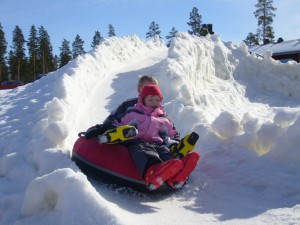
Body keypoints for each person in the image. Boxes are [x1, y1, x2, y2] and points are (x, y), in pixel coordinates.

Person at [109, 84, 200, 190]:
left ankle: (176, 175)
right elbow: (117, 123)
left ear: (161, 101)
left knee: (165, 151)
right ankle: (152, 173)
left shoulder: (163, 118)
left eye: (157, 100)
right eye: (150, 99)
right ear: (143, 100)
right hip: (137, 141)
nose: (154, 103)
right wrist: (114, 132)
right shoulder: (133, 113)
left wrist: (175, 144)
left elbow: (172, 134)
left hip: (157, 143)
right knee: (144, 151)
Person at [83, 75, 158, 139]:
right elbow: (111, 119)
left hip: (149, 145)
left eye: (153, 89)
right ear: (139, 90)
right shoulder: (129, 105)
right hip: (128, 141)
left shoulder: (158, 112)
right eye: (147, 88)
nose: (150, 92)